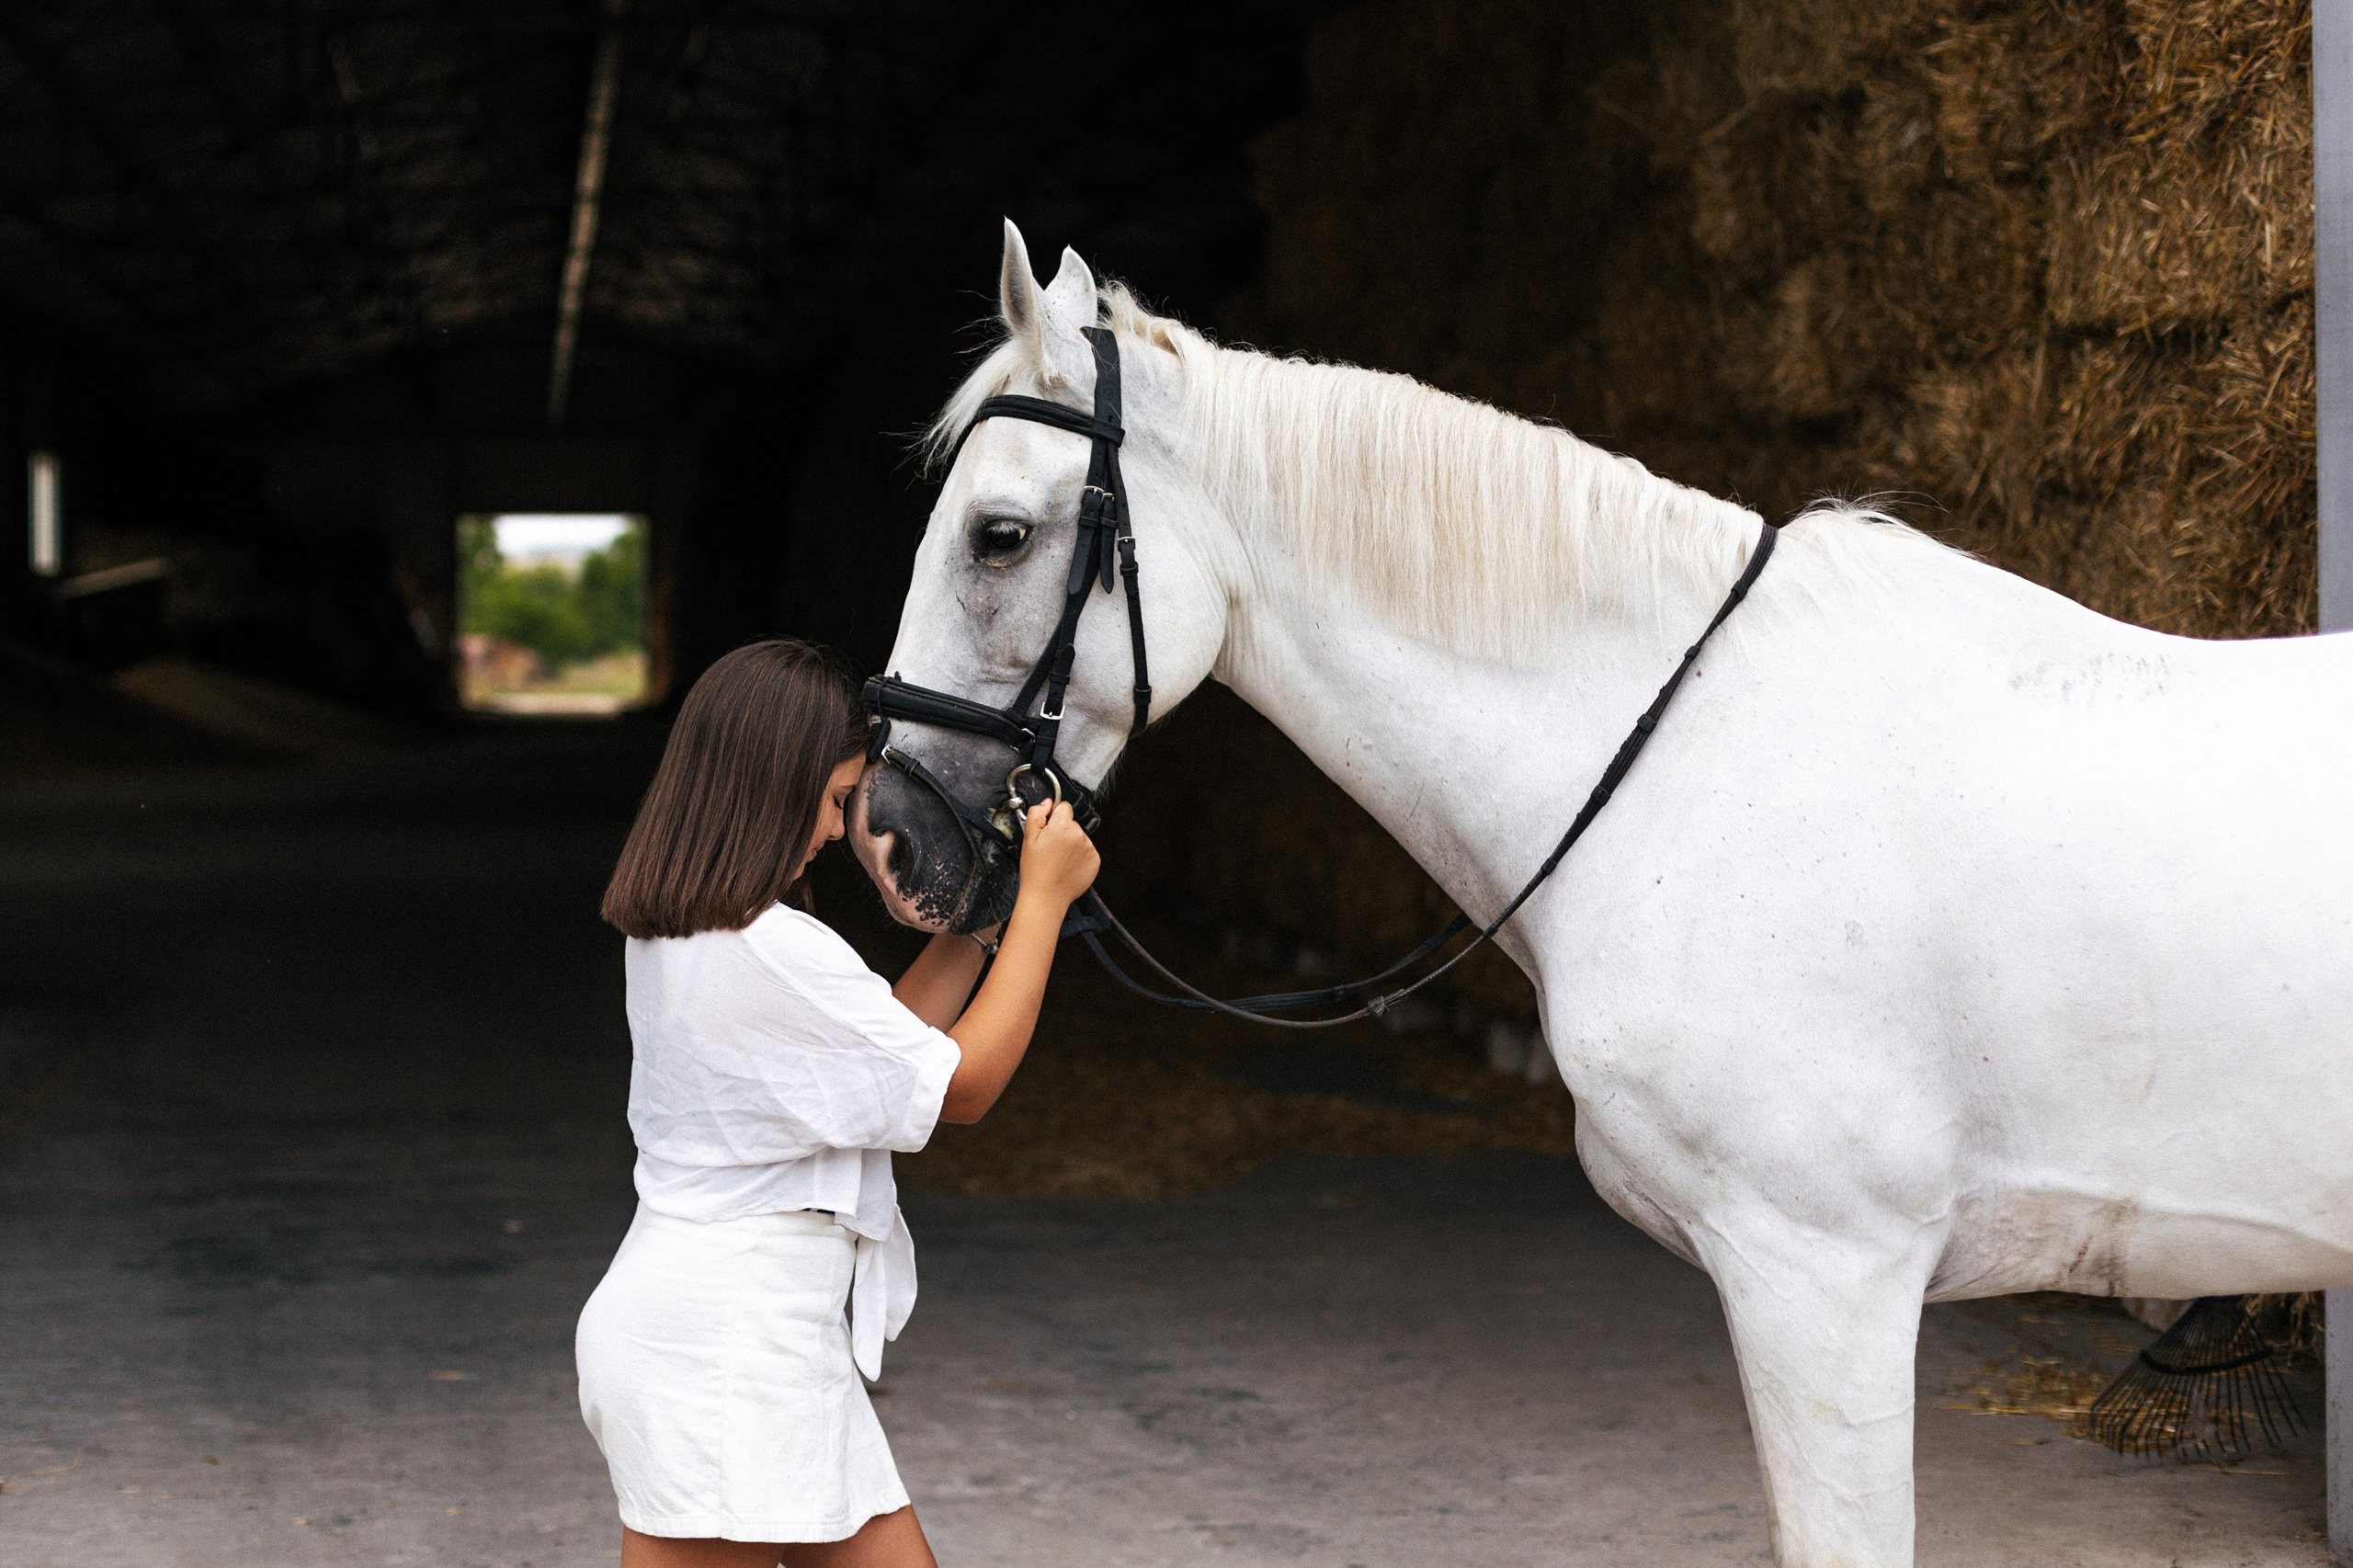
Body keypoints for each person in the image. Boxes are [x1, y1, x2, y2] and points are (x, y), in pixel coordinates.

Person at [575, 637, 1099, 1568]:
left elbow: (886, 1046)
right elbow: (961, 1088)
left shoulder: (694, 933)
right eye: (832, 798)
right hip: (727, 1348)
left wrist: (986, 915)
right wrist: (1042, 905)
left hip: (743, 1332)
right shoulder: (768, 947)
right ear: (771, 788)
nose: (833, 830)